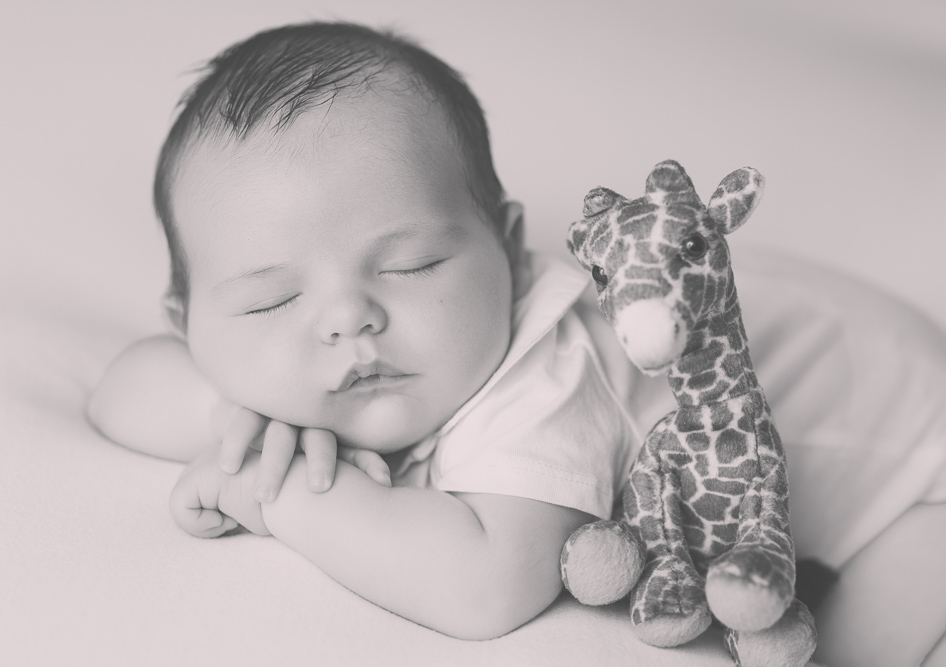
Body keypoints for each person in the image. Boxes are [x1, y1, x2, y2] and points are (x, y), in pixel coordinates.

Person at [86, 21, 638, 641]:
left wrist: (278, 485)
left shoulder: (549, 365)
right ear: (187, 326)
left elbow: (487, 585)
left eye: (411, 265)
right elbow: (117, 393)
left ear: (507, 249)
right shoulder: (250, 376)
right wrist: (233, 421)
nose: (350, 317)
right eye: (272, 301)